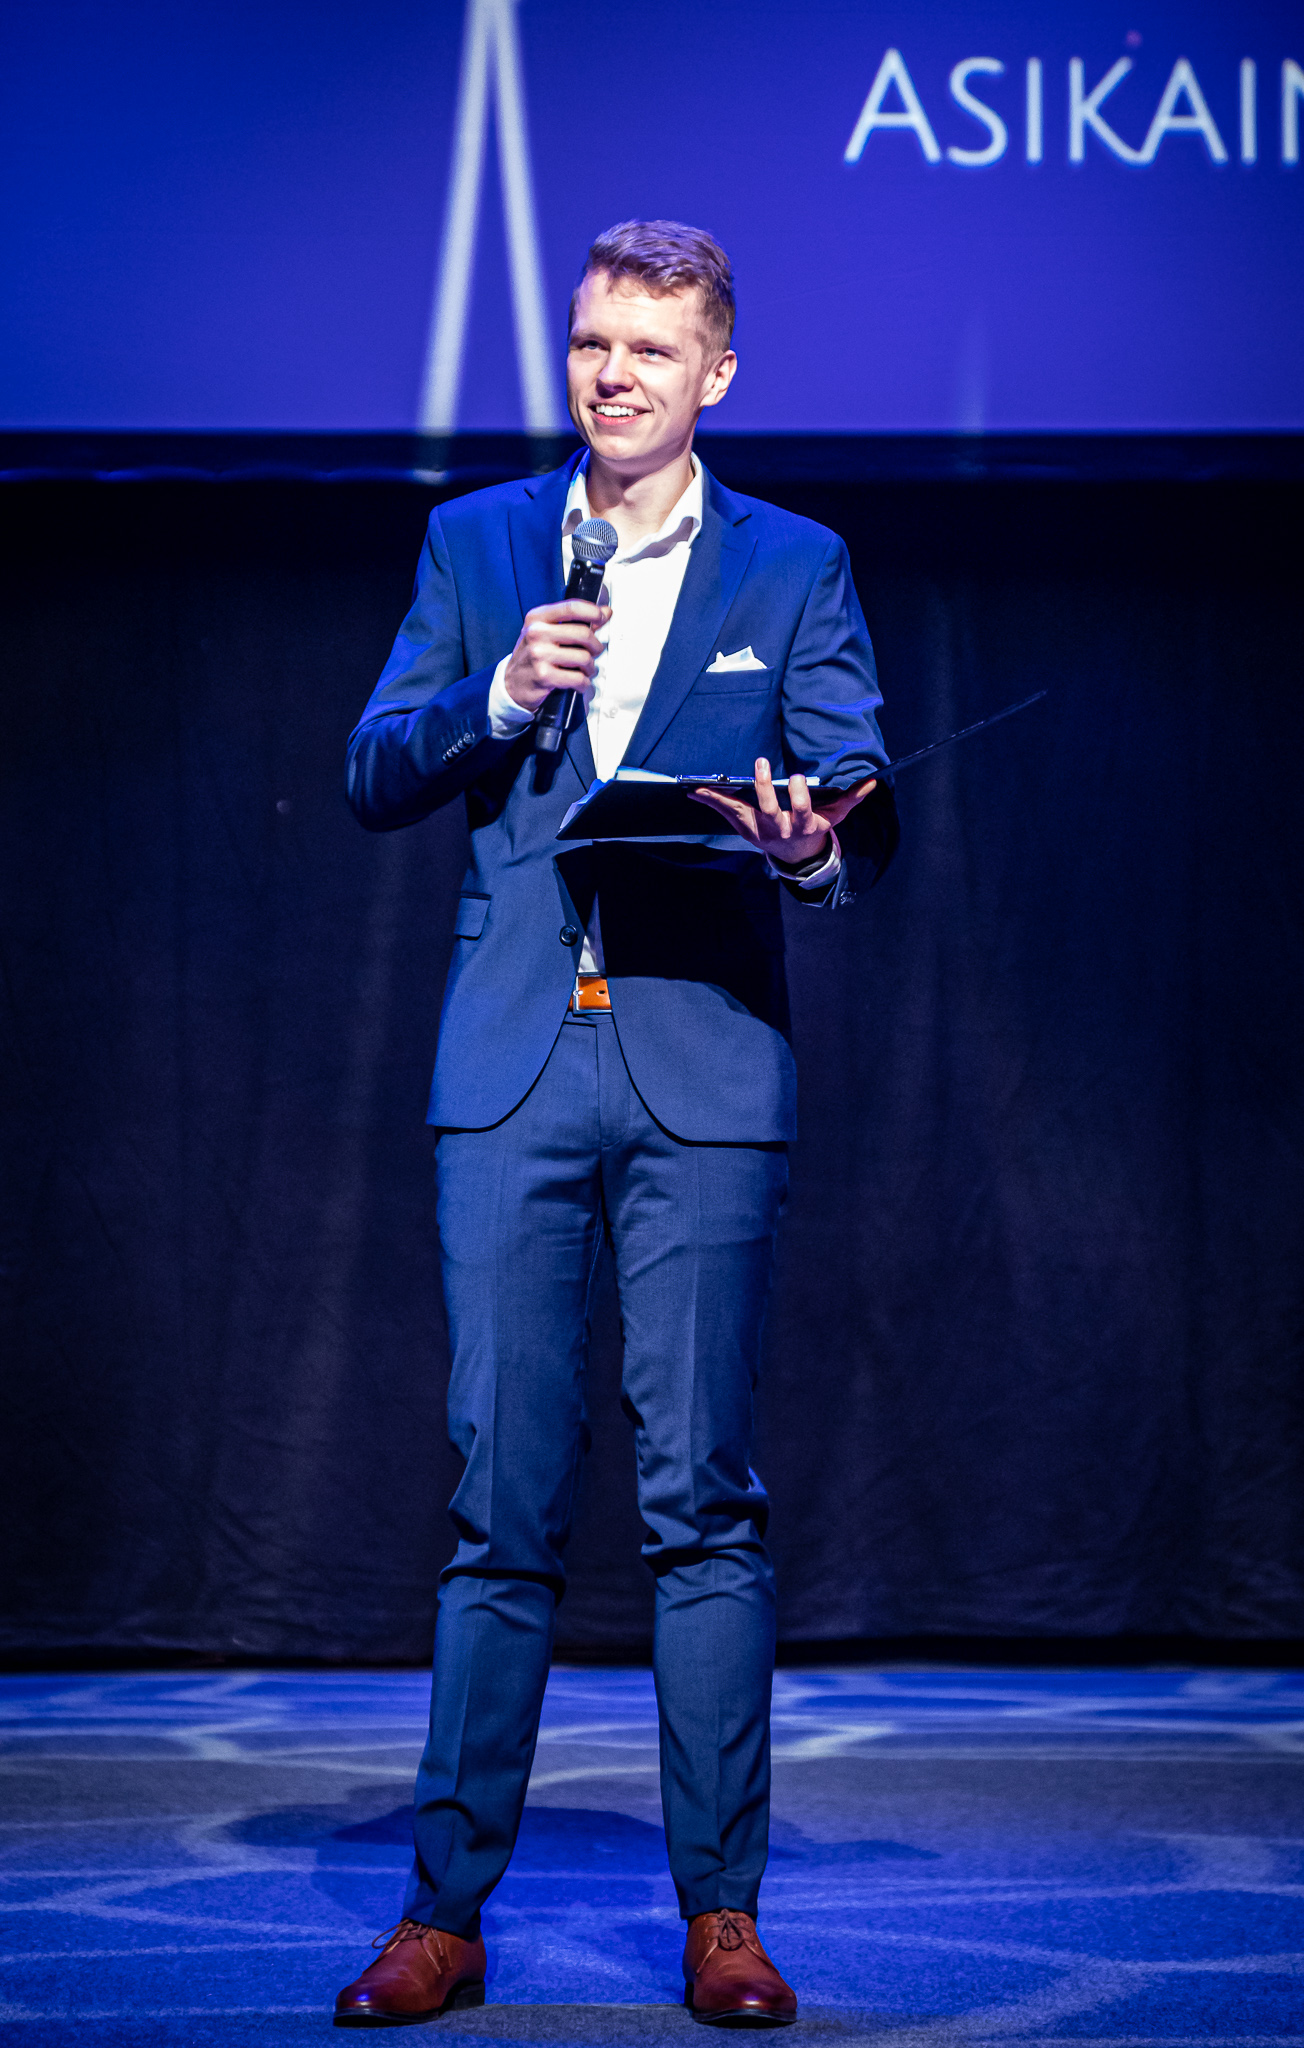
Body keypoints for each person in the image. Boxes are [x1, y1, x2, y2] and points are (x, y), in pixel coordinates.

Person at [333, 220, 898, 2028]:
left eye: (651, 350)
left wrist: (809, 846)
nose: (612, 376)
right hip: (511, 1069)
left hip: (700, 1069)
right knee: (496, 1497)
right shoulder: (480, 543)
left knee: (699, 1500)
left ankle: (722, 1914)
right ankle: (442, 1914)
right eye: (591, 343)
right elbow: (373, 765)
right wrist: (499, 693)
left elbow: (852, 787)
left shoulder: (792, 563)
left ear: (715, 373)